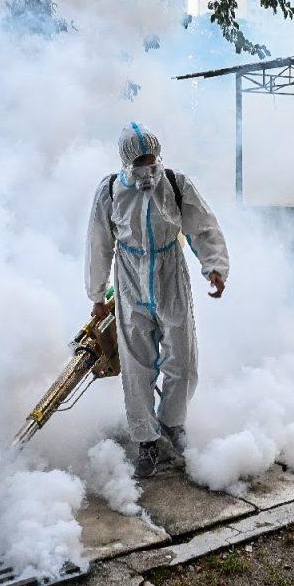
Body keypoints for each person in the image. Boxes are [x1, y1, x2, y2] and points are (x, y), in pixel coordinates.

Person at [85, 122, 229, 478]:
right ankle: (146, 441)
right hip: (130, 277)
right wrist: (97, 294)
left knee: (183, 358)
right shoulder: (109, 192)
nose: (149, 169)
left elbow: (203, 227)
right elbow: (99, 244)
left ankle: (172, 423)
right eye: (141, 163)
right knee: (137, 366)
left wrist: (214, 267)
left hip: (170, 273)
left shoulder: (176, 184)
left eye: (153, 160)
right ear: (127, 163)